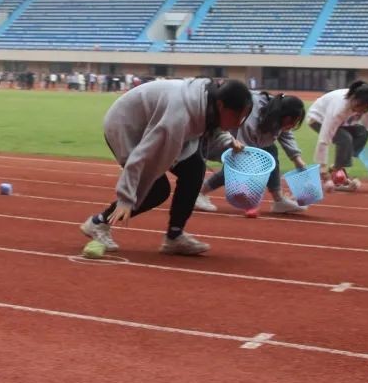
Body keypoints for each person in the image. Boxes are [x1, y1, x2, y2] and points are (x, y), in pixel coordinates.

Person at [80, 78, 253, 256]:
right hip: (127, 127)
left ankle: (174, 236)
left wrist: (228, 142)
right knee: (157, 190)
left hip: (152, 121)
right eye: (237, 116)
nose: (238, 123)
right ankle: (98, 223)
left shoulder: (208, 101)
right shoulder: (177, 119)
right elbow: (141, 156)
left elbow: (210, 128)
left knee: (194, 169)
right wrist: (126, 198)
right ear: (221, 105)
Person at [196, 92, 308, 214]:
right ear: (286, 116)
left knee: (270, 151)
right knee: (235, 165)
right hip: (224, 136)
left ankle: (279, 201)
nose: (292, 125)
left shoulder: (279, 113)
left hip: (247, 139)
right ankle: (199, 193)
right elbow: (243, 151)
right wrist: (248, 190)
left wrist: (296, 158)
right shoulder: (253, 113)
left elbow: (285, 131)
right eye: (293, 121)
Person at [306, 81, 368, 191]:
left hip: (342, 122)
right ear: (353, 98)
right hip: (317, 119)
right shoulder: (339, 108)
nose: (360, 112)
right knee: (345, 139)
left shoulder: (364, 105)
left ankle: (337, 167)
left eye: (364, 110)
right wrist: (322, 168)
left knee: (362, 132)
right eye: (358, 107)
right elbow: (324, 139)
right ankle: (337, 174)